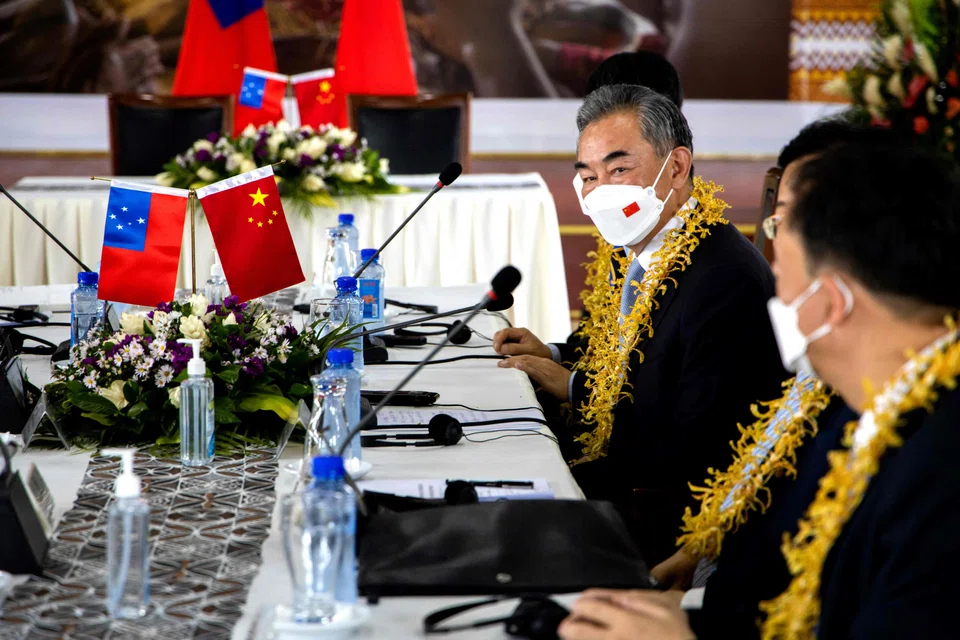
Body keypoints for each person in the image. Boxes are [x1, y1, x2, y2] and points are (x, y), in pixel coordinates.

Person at [558, 133, 960, 639]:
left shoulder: (938, 479)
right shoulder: (873, 409)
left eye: (781, 268)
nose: (770, 284)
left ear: (828, 303)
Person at [494, 84, 786, 564]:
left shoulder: (724, 279)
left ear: (676, 167)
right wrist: (552, 356)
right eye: (588, 176)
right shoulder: (632, 245)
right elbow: (611, 353)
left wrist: (572, 388)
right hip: (619, 472)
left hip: (666, 512)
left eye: (619, 169)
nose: (600, 191)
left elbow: (691, 451)